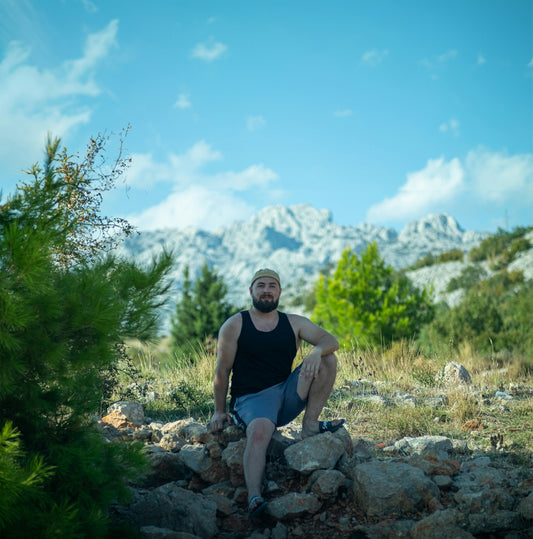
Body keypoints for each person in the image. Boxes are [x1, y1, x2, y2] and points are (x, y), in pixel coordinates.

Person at [209, 268, 344, 518]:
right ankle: (254, 497)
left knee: (328, 359)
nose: (267, 290)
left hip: (287, 393)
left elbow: (330, 340)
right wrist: (219, 411)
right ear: (251, 290)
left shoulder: (294, 323)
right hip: (251, 400)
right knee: (259, 433)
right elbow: (222, 371)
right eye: (261, 285)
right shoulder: (235, 325)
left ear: (279, 291)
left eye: (272, 285)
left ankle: (310, 426)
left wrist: (315, 352)